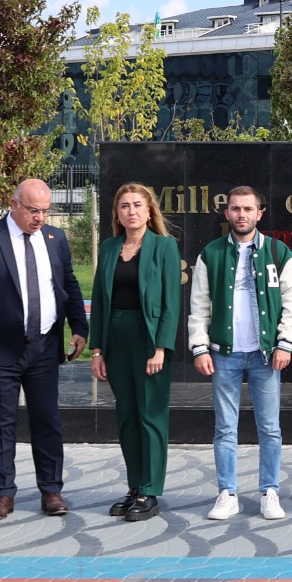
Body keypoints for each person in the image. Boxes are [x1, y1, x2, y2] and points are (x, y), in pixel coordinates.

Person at [0, 178, 88, 521]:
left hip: (44, 346)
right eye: (33, 210)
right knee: (0, 423)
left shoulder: (55, 239)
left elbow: (69, 283)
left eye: (45, 210)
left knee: (47, 419)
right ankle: (3, 494)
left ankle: (51, 490)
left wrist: (79, 327)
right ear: (13, 204)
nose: (40, 218)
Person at [185, 185, 292, 521]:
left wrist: (285, 342)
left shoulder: (279, 253)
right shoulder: (210, 254)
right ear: (227, 213)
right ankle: (227, 493)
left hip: (265, 355)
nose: (241, 215)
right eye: (235, 209)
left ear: (259, 214)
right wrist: (199, 347)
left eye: (248, 209)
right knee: (225, 428)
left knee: (270, 428)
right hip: (224, 354)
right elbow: (199, 305)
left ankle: (270, 492)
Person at [89, 182, 184, 522]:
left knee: (150, 415)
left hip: (148, 340)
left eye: (137, 205)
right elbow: (99, 299)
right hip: (115, 338)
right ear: (117, 213)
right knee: (127, 416)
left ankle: (150, 489)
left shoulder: (164, 247)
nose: (131, 211)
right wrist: (97, 349)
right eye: (124, 206)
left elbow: (172, 302)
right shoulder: (110, 247)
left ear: (149, 211)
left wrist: (161, 347)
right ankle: (134, 486)